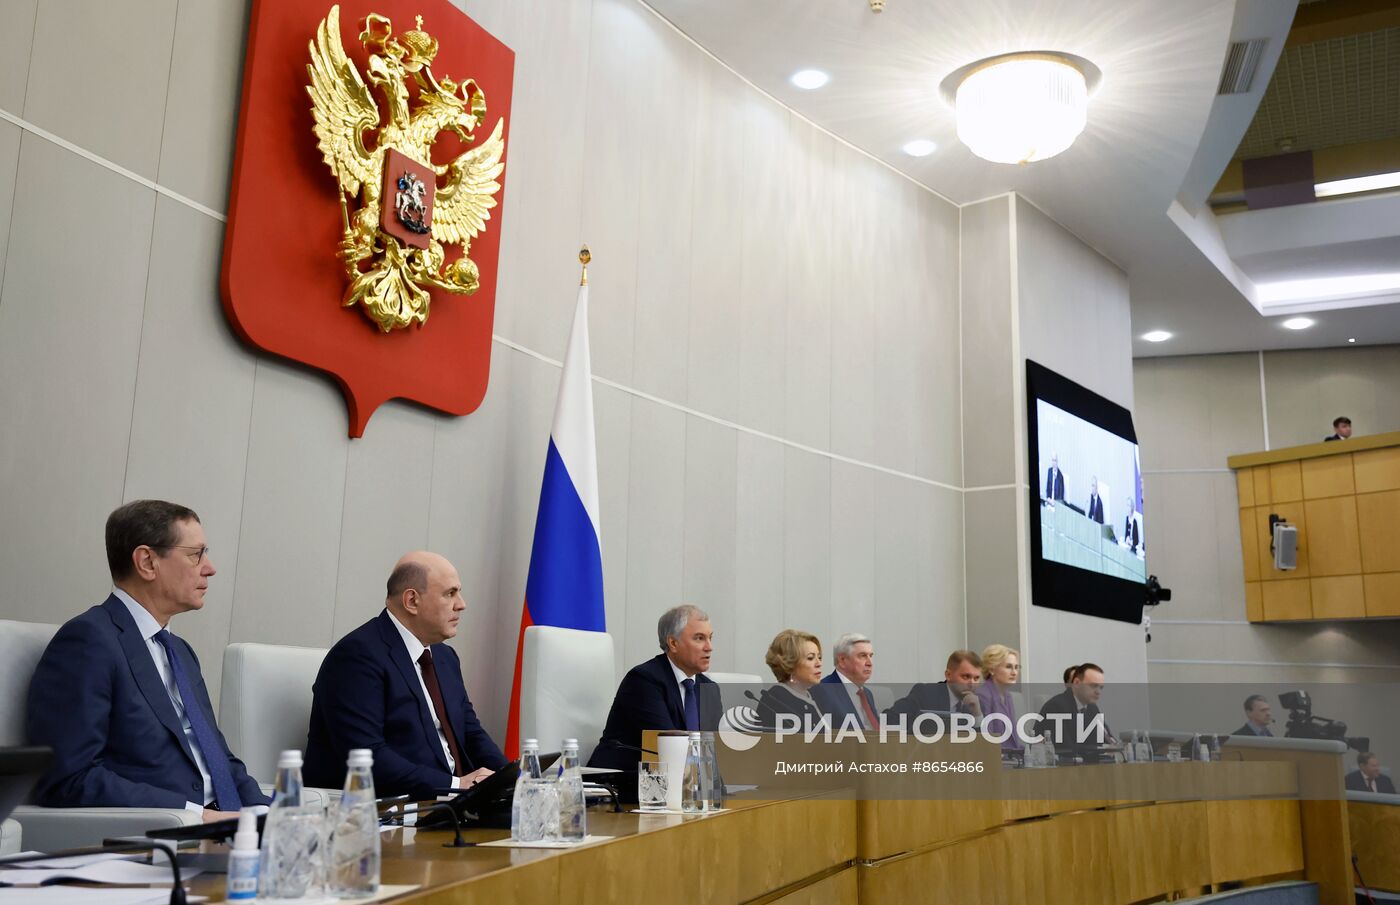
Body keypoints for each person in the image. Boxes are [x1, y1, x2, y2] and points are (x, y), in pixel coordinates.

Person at [26, 500, 268, 818]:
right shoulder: (88, 641)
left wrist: (271, 813)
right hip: (160, 836)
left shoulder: (180, 651)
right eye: (196, 554)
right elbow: (69, 778)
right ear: (147, 562)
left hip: (224, 826)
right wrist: (195, 815)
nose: (210, 568)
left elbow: (218, 758)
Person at [304, 552, 507, 799]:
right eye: (450, 594)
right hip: (391, 809)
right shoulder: (357, 657)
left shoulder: (444, 657)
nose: (461, 604)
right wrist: (455, 785)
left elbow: (470, 731)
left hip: (451, 804)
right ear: (412, 600)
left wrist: (512, 778)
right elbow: (367, 757)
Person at [589, 605, 720, 776]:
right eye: (699, 638)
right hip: (620, 787)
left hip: (680, 786)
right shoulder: (644, 680)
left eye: (710, 638)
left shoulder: (709, 688)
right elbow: (669, 747)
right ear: (673, 643)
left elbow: (716, 749)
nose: (709, 647)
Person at [1037, 663, 1113, 760]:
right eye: (1093, 686)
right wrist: (1101, 750)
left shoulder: (1092, 708)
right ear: (1076, 683)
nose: (1098, 691)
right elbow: (1064, 748)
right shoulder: (1057, 706)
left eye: (1101, 687)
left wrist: (1112, 746)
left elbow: (1104, 738)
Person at [756, 630, 825, 728]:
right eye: (810, 658)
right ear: (790, 664)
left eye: (819, 657)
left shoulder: (816, 696)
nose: (819, 664)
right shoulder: (775, 700)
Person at [887, 650, 985, 719]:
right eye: (966, 677)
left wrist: (977, 713)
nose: (972, 683)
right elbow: (889, 718)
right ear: (948, 675)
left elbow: (984, 743)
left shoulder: (976, 704)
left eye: (976, 678)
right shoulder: (925, 694)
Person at [816, 633, 879, 730]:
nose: (870, 663)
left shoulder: (866, 694)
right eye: (862, 656)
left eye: (871, 656)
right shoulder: (822, 690)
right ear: (842, 660)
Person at [974, 644, 1021, 750]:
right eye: (1008, 667)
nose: (1014, 672)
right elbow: (987, 739)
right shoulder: (982, 695)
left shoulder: (1008, 696)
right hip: (994, 760)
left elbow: (1013, 740)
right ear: (992, 669)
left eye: (1016, 667)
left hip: (1011, 759)